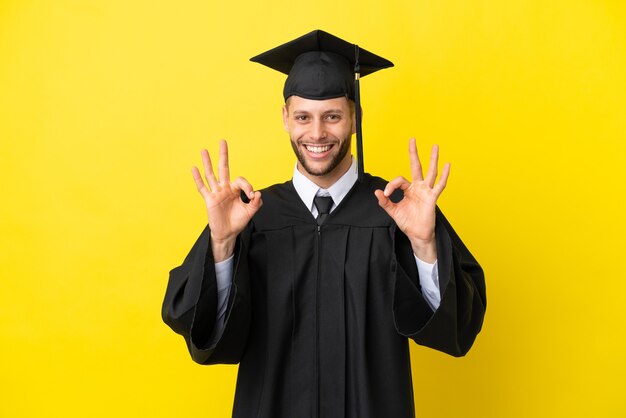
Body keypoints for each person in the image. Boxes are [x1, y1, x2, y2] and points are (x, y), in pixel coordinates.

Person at [162, 30, 486, 418]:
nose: (316, 134)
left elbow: (455, 330)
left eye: (332, 116)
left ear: (355, 118)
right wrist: (222, 246)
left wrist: (424, 246)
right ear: (285, 118)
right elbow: (206, 336)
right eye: (303, 117)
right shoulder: (250, 215)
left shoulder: (398, 212)